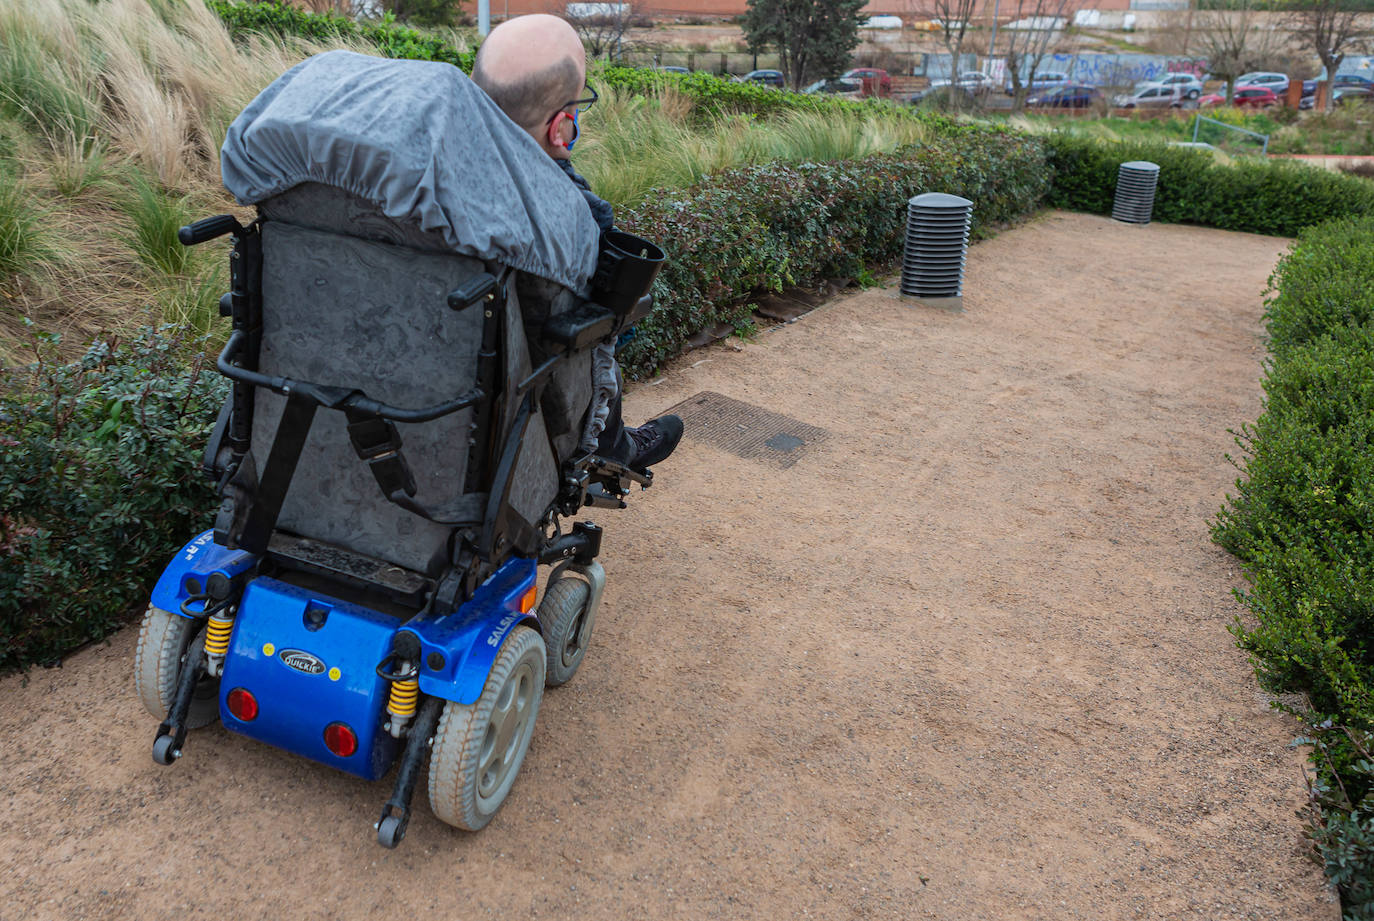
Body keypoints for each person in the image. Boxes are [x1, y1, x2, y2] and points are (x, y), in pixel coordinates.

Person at [470, 14, 682, 473]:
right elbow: (607, 325)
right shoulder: (577, 218)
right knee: (612, 319)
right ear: (559, 127)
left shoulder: (395, 182)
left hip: (375, 397)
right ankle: (611, 445)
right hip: (516, 408)